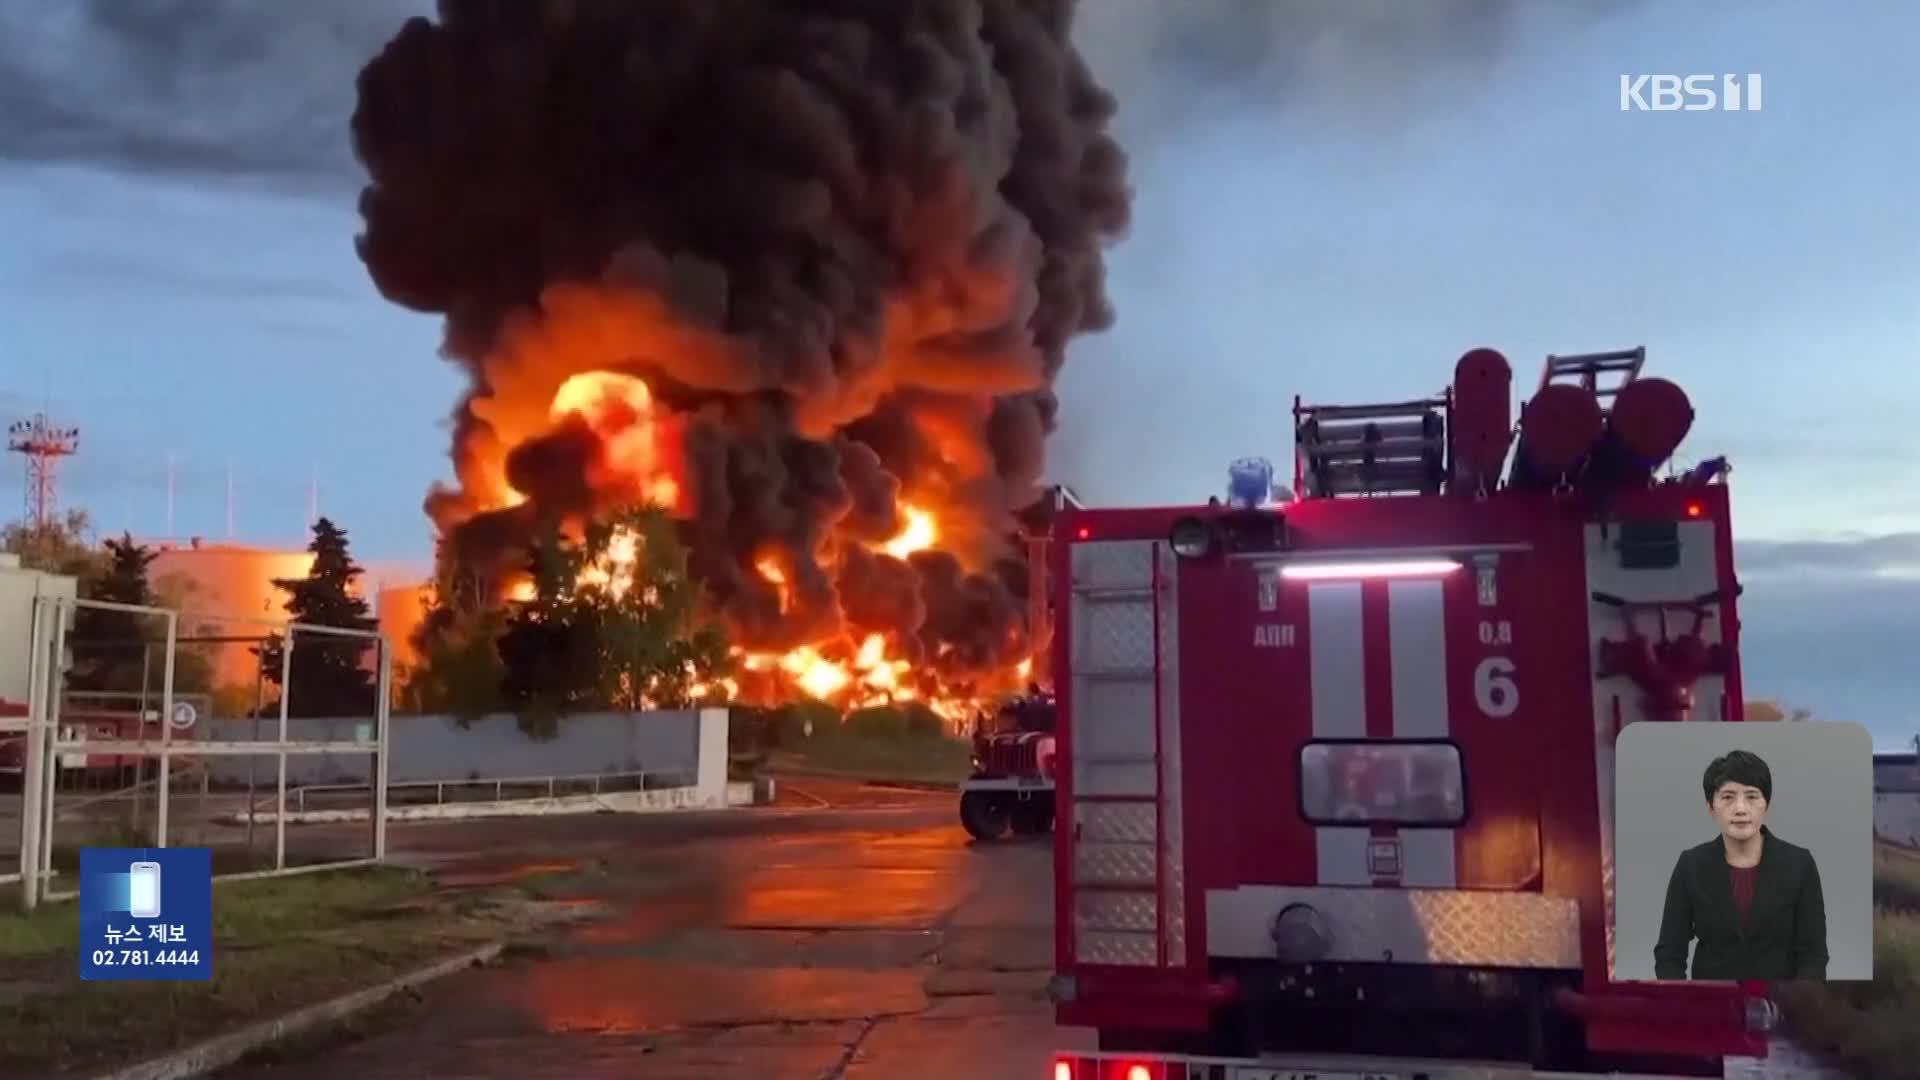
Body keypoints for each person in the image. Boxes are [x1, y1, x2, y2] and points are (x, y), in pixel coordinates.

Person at [1653, 749, 1827, 980]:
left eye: (1752, 796)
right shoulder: (1691, 865)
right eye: (1727, 797)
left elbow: (1813, 954)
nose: (1741, 809)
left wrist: (1801, 1005)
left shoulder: (1800, 864)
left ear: (1767, 805)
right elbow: (1669, 953)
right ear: (1710, 808)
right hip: (1711, 1005)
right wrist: (1684, 1005)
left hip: (1781, 1004)